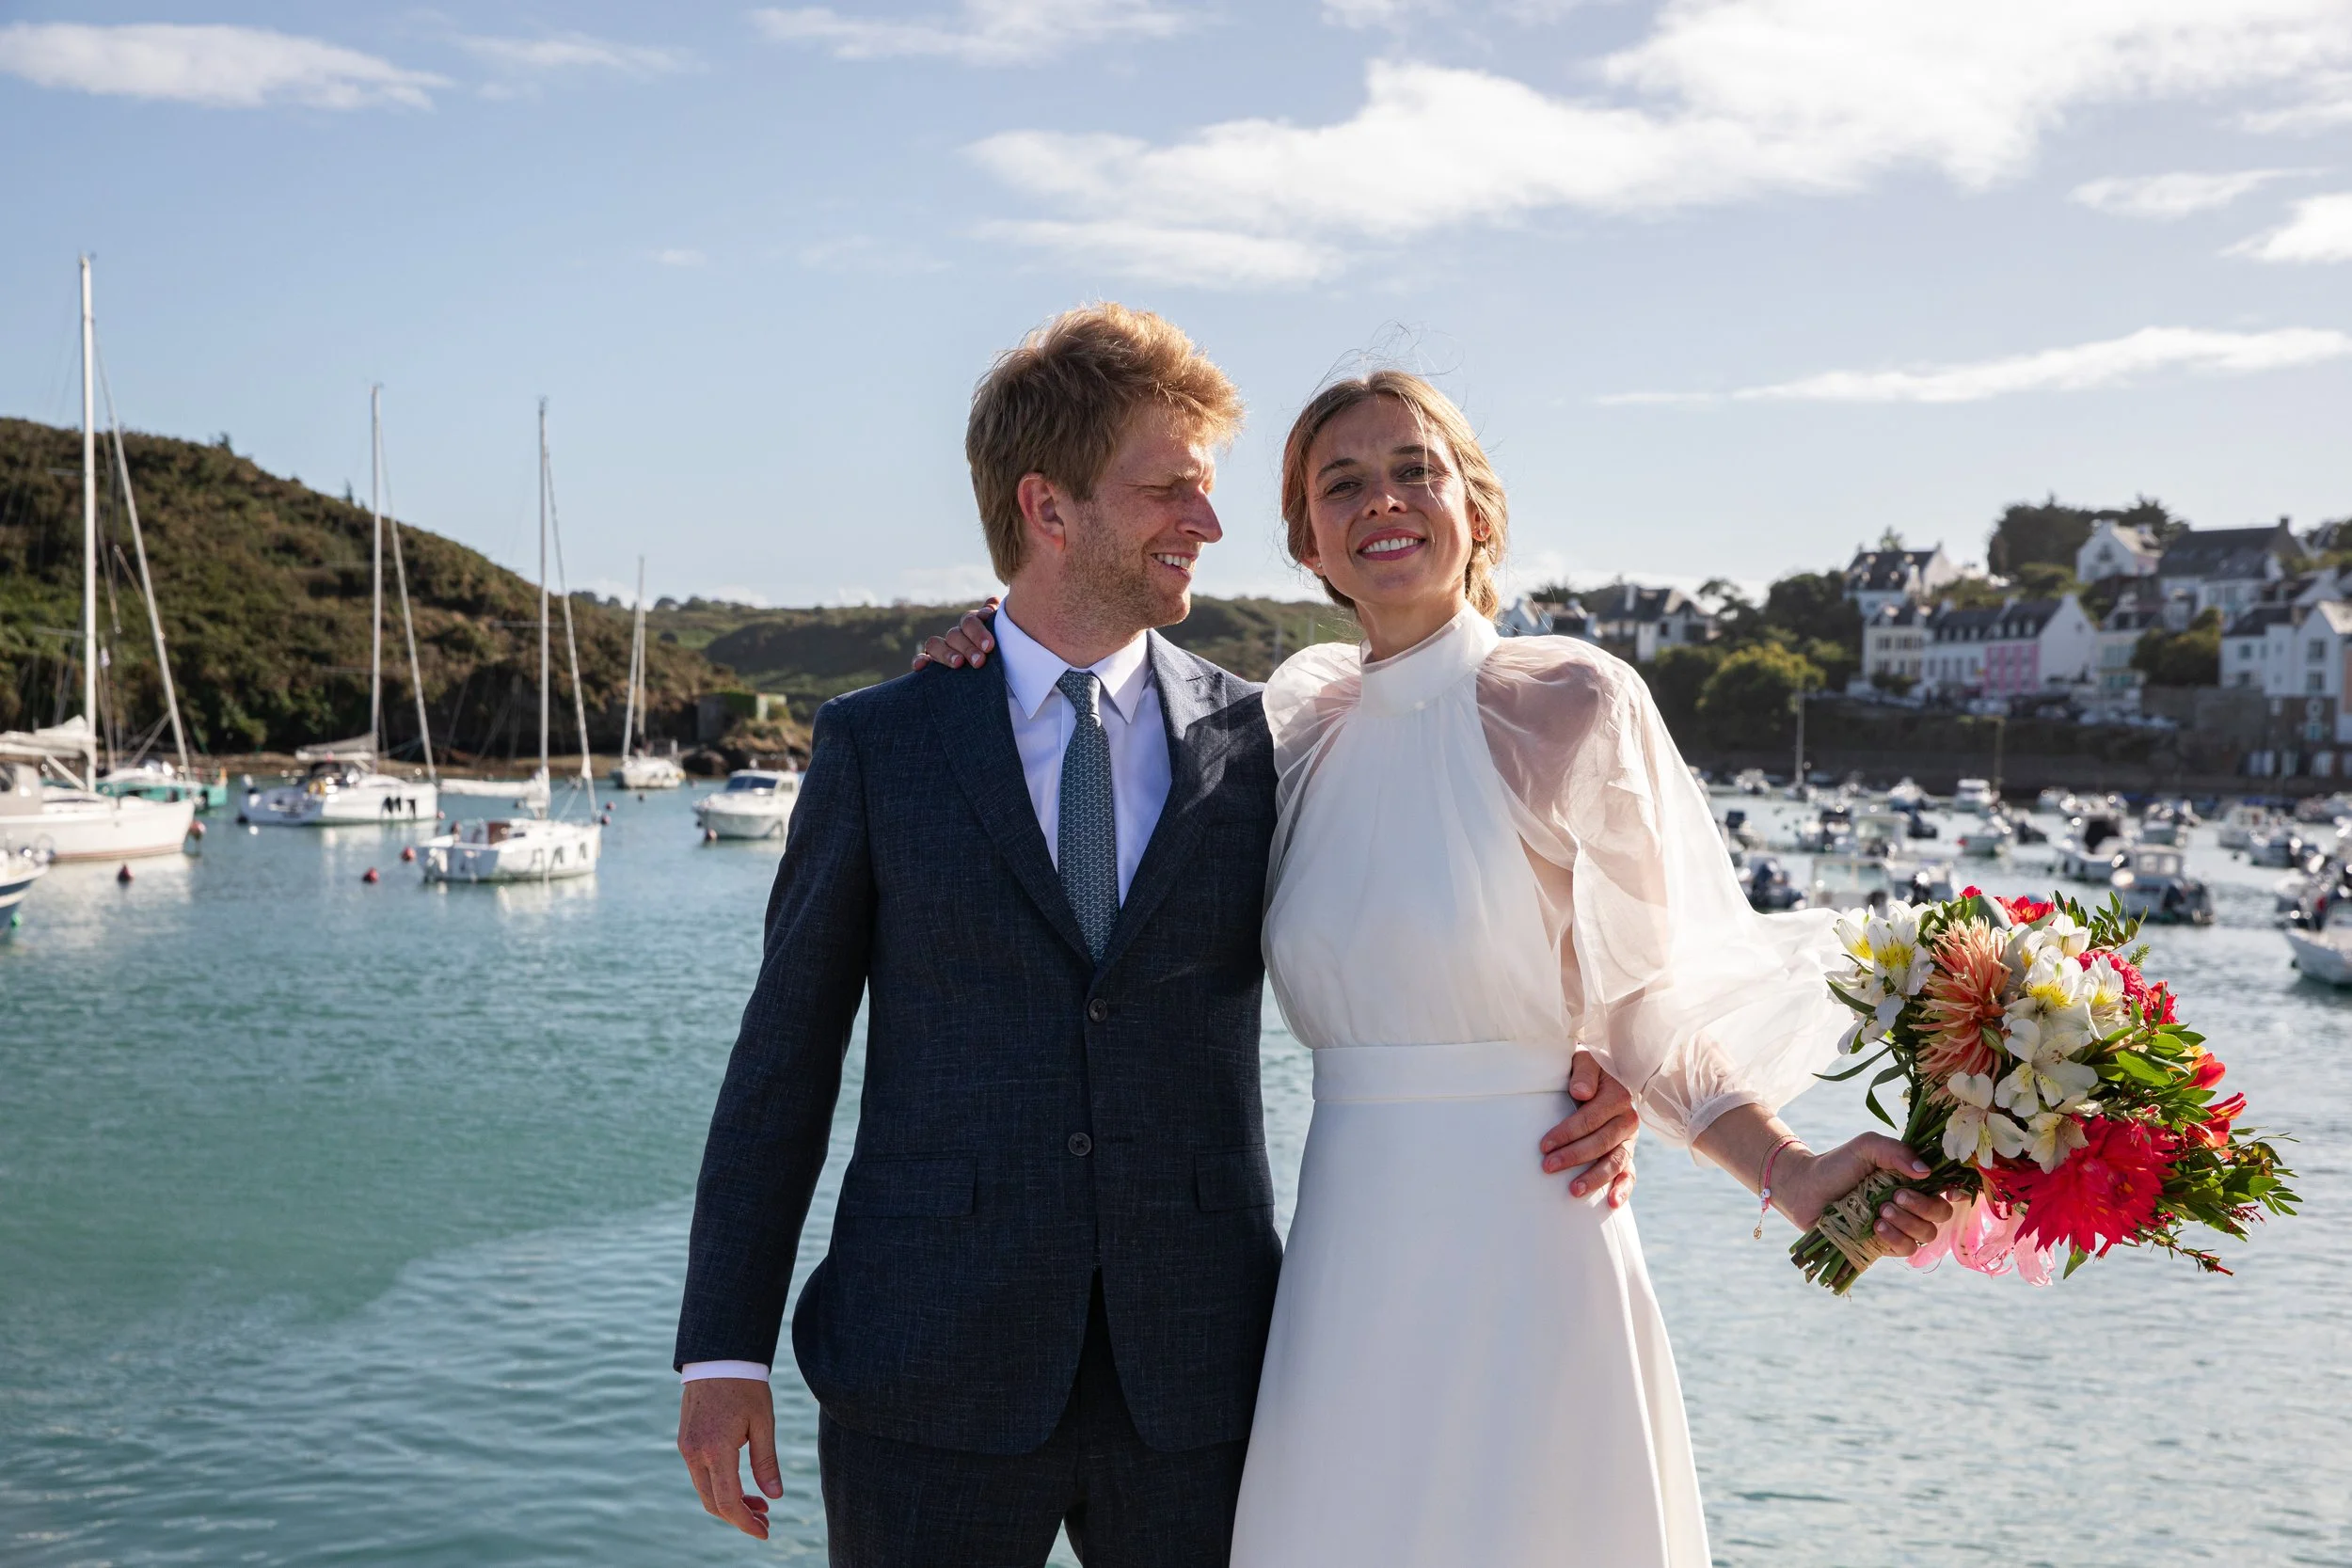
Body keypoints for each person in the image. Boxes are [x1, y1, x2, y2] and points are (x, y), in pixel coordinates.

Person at [920, 367, 1955, 1568]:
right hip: (1346, 1251)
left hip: (1531, 1229)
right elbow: (1091, 719)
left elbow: (1651, 1004)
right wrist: (982, 652)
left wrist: (1789, 1166)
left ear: (1476, 503)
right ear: (1308, 539)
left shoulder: (1569, 701)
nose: (1383, 501)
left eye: (1416, 468)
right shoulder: (1292, 723)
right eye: (1341, 482)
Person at [671, 307, 1645, 1566]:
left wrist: (1593, 1050)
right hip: (928, 1370)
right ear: (1050, 507)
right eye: (1170, 489)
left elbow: (1435, 893)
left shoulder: (1267, 740)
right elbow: (782, 1065)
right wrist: (723, 1345)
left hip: (1206, 1380)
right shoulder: (884, 743)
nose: (1210, 521)